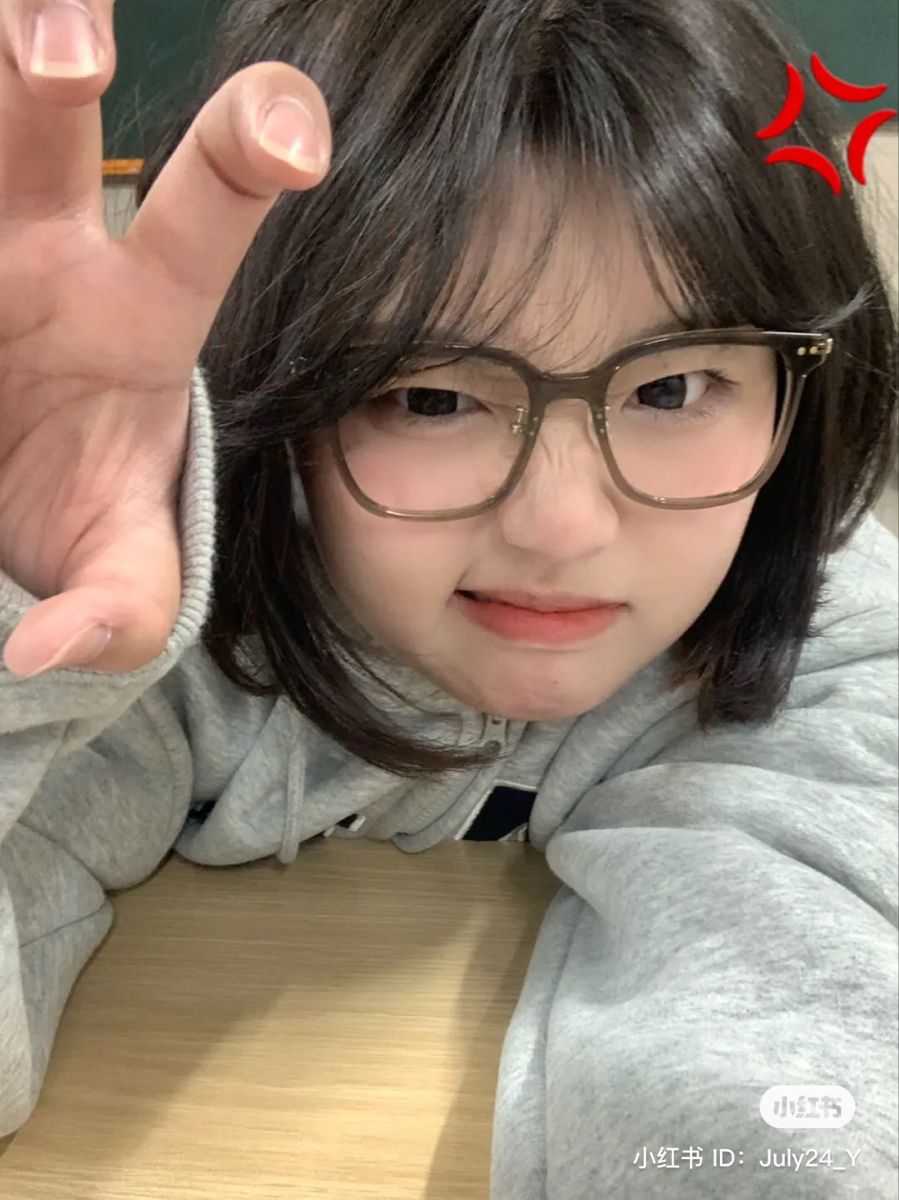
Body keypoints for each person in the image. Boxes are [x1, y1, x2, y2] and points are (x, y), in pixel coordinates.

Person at [1, 0, 896, 1194]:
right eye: (430, 399)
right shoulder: (146, 638)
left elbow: (778, 1074)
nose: (561, 525)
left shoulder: (817, 653)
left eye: (672, 388)